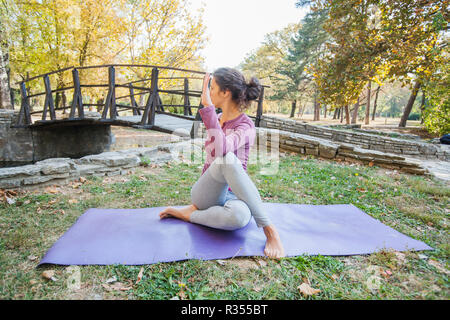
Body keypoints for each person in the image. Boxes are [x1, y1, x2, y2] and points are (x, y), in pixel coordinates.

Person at [158, 67, 285, 259]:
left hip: (234, 197)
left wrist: (208, 110)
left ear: (225, 93)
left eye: (212, 88)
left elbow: (221, 148)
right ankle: (269, 229)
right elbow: (220, 152)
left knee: (240, 217)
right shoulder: (215, 119)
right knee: (227, 159)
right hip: (206, 195)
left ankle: (189, 215)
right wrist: (209, 111)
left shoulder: (246, 126)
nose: (208, 93)